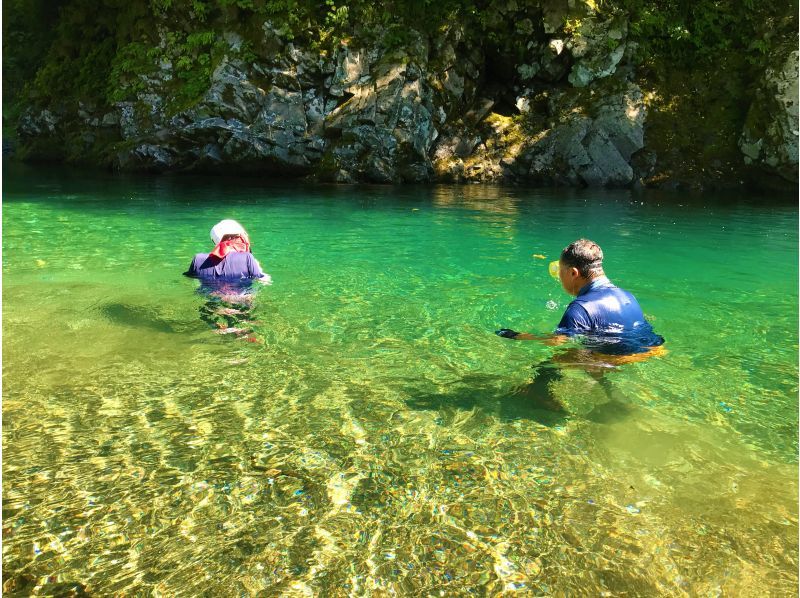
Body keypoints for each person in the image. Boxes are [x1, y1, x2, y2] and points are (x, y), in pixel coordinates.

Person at [496, 238, 665, 411]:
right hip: (652, 350)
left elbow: (556, 341)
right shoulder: (626, 295)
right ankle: (613, 395)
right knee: (584, 352)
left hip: (616, 358)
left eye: (559, 272)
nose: (558, 278)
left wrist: (516, 336)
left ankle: (538, 397)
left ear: (573, 273)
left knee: (551, 363)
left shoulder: (580, 308)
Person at [185, 219, 272, 337]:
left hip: (211, 298)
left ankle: (217, 328)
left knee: (209, 302)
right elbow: (265, 281)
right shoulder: (248, 258)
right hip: (240, 299)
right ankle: (242, 332)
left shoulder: (198, 260)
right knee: (249, 301)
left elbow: (192, 280)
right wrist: (258, 267)